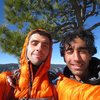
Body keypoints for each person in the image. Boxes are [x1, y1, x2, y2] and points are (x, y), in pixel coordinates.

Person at [0, 29, 57, 100]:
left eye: (45, 46)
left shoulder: (57, 82)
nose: (39, 48)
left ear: (49, 52)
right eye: (34, 43)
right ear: (26, 47)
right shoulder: (7, 80)